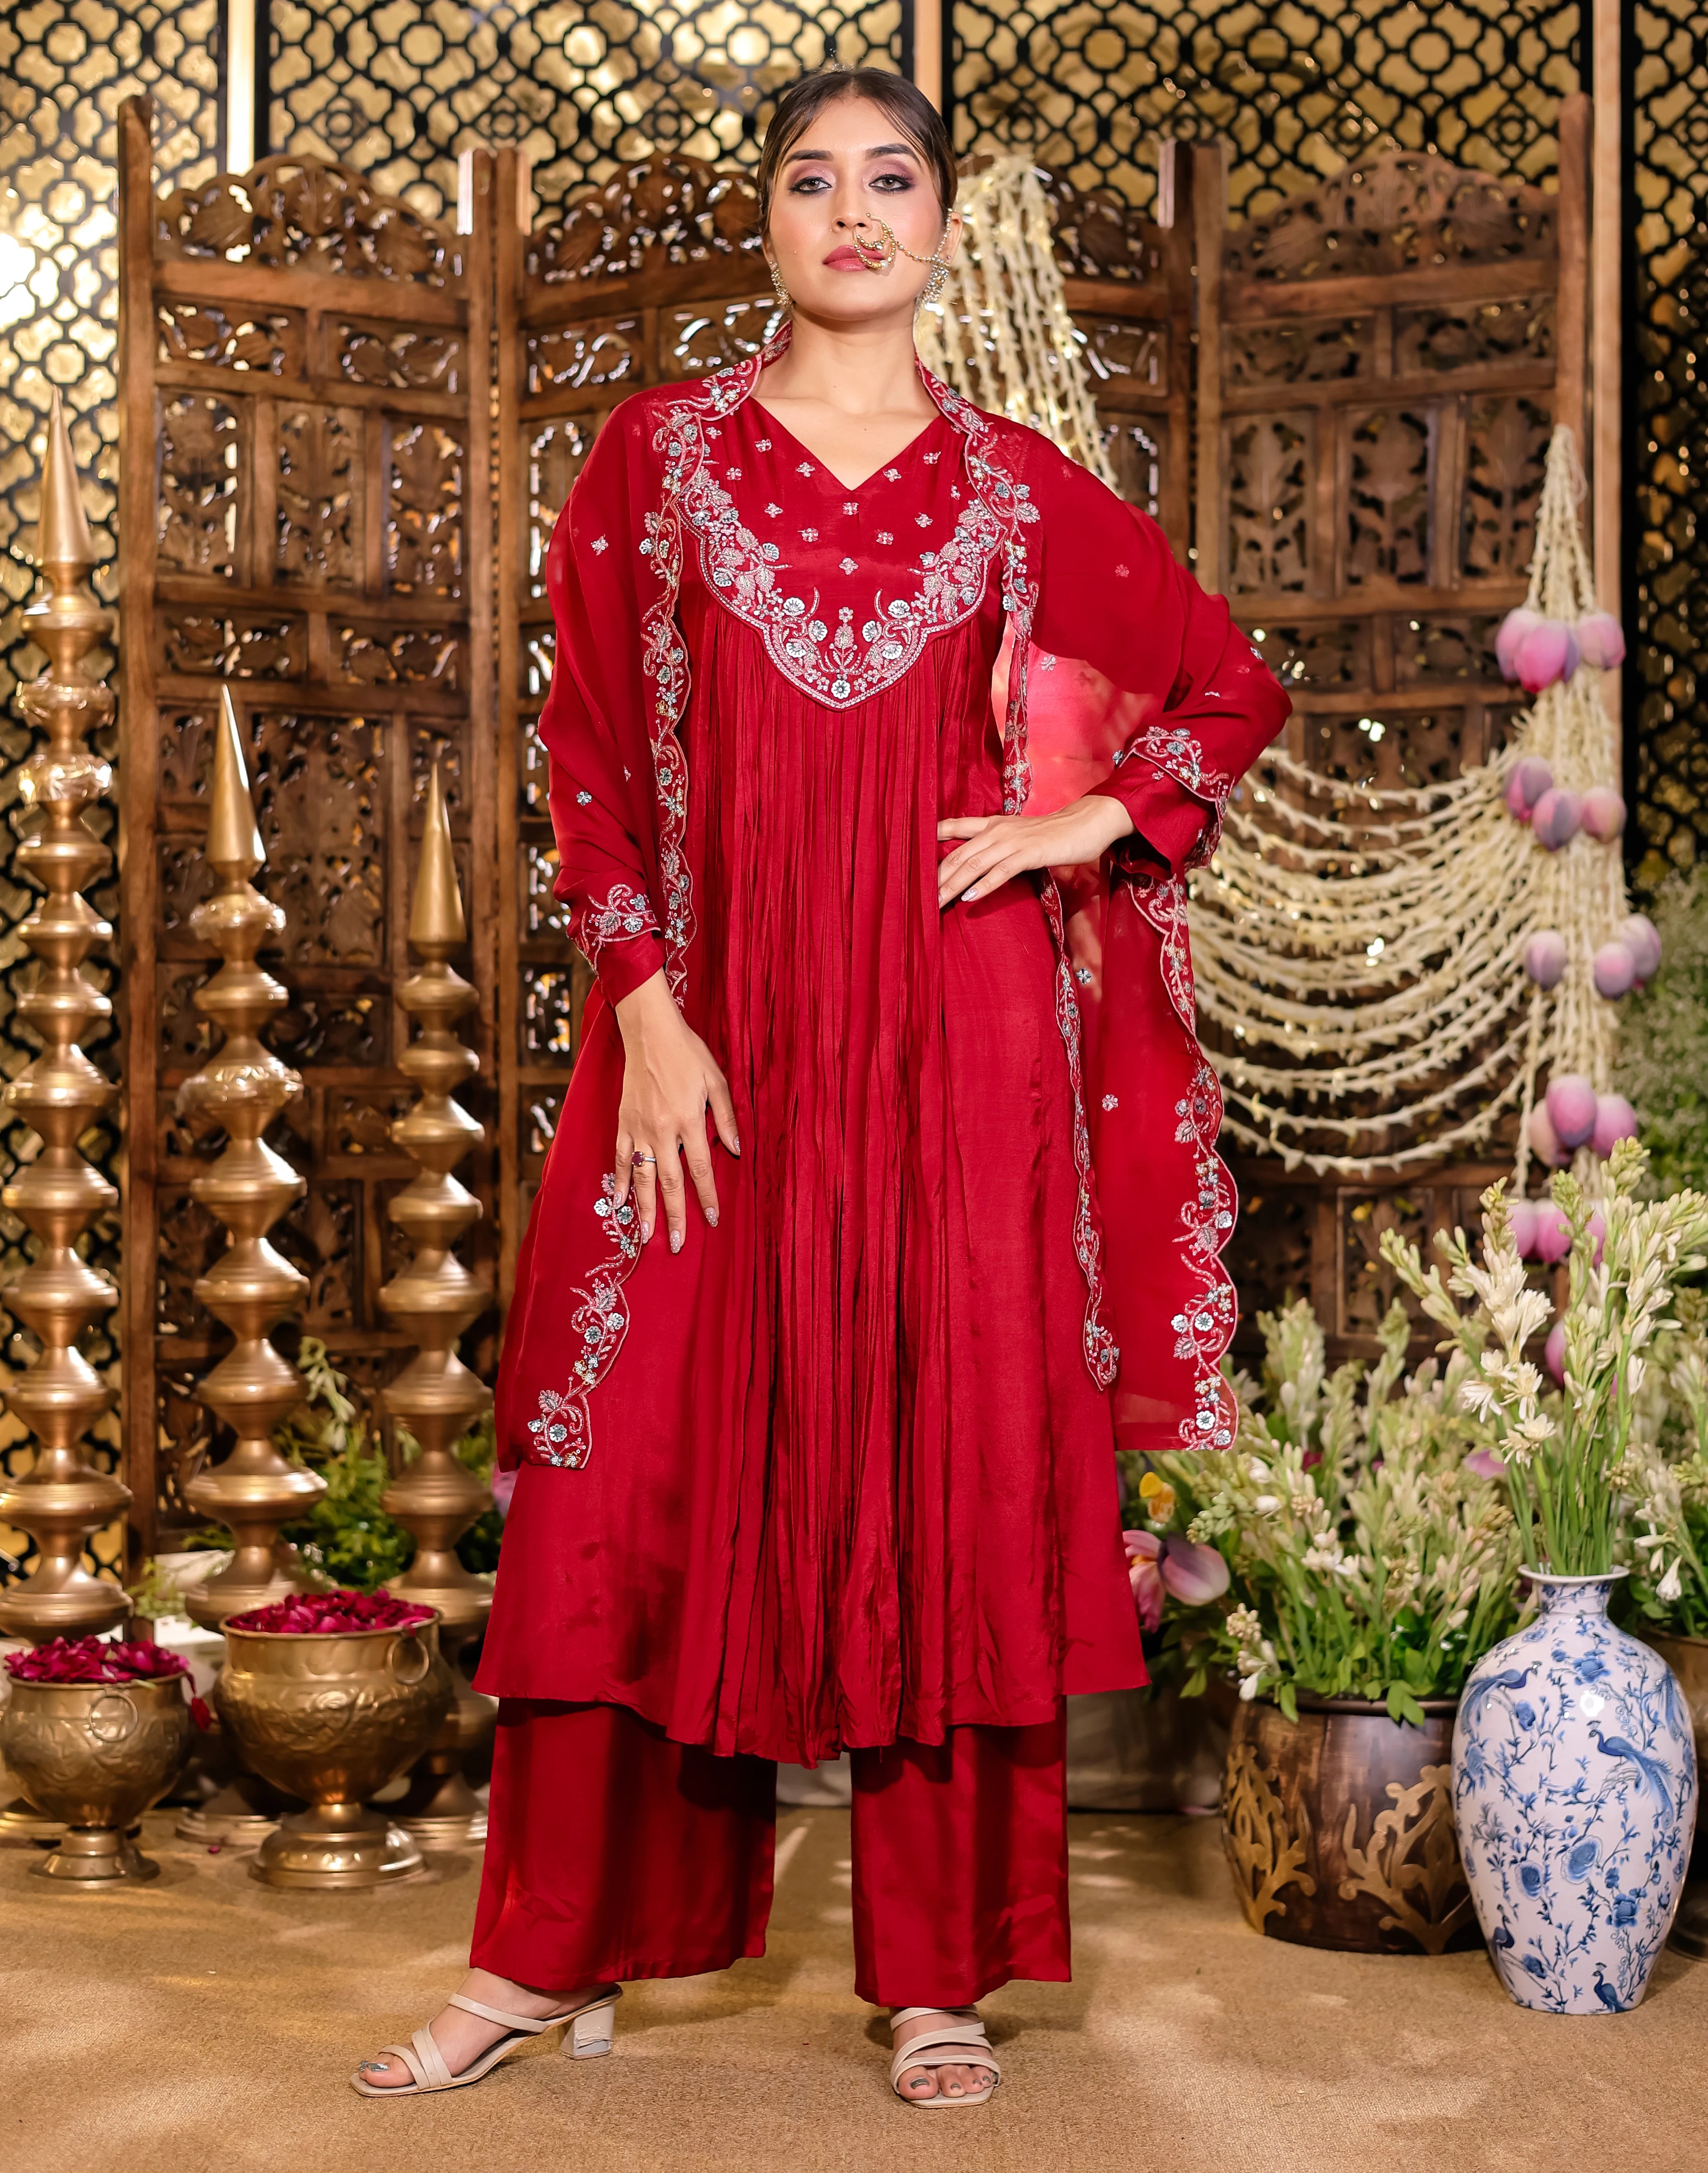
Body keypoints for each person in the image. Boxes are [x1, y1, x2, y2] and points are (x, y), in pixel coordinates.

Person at [355, 66, 1288, 2109]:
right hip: (711, 1053)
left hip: (956, 1056)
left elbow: (1227, 684)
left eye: (891, 177)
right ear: (765, 219)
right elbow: (587, 753)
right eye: (810, 178)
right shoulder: (656, 455)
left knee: (940, 1470)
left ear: (940, 222)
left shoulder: (1015, 485)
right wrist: (645, 1008)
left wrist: (1083, 826)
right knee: (625, 1476)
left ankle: (938, 1978)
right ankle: (544, 1952)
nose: (852, 210)